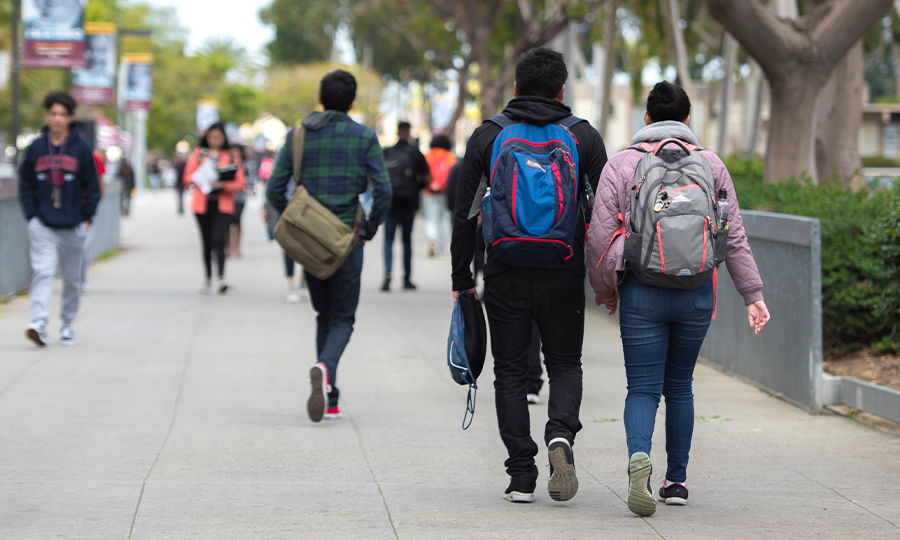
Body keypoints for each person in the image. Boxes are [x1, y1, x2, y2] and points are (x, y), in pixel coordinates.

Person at [586, 81, 771, 516]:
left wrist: (606, 289)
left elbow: (598, 238)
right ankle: (677, 481)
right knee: (681, 386)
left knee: (643, 388)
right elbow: (734, 235)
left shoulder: (623, 164)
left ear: (646, 119)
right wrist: (753, 294)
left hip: (641, 292)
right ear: (688, 120)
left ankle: (638, 461)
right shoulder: (711, 164)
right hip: (696, 294)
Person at [451, 48, 608, 504]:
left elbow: (464, 214)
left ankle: (521, 473)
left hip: (505, 269)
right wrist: (603, 277)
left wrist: (462, 277)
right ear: (562, 90)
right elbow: (605, 213)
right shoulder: (582, 136)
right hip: (563, 268)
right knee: (563, 363)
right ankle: (560, 435)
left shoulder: (489, 134)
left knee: (511, 372)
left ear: (515, 88)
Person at [266, 70, 391, 423]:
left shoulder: (298, 136)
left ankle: (330, 395)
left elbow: (274, 189)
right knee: (343, 318)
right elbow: (383, 191)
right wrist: (369, 227)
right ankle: (326, 368)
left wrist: (296, 216)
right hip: (347, 239)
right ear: (351, 102)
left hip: (309, 239)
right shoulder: (364, 137)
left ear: (321, 99)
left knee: (324, 315)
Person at [19, 90, 100, 347]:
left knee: (72, 278)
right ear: (46, 116)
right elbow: (25, 184)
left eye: (62, 114)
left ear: (70, 118)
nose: (57, 119)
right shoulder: (36, 148)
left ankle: (67, 324)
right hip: (43, 224)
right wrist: (32, 216)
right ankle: (38, 324)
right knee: (42, 272)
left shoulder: (81, 148)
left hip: (73, 225)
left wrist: (86, 218)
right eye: (53, 113)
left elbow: (93, 187)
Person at [183, 122, 246, 294]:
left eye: (218, 137)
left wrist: (222, 185)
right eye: (211, 137)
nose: (214, 140)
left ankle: (221, 278)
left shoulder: (231, 156)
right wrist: (201, 179)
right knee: (206, 242)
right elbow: (187, 177)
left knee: (219, 239)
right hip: (202, 204)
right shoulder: (198, 155)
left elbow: (241, 183)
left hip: (223, 203)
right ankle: (208, 278)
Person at [381, 121, 430, 292]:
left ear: (396, 132)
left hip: (391, 203)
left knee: (388, 240)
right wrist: (416, 188)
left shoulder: (387, 152)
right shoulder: (415, 153)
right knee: (407, 241)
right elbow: (428, 178)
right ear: (408, 132)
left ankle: (387, 273)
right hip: (409, 203)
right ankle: (407, 278)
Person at [423, 134, 457, 257]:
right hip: (446, 192)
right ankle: (443, 247)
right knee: (445, 219)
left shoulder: (428, 155)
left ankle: (432, 238)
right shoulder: (450, 157)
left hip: (429, 192)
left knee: (431, 219)